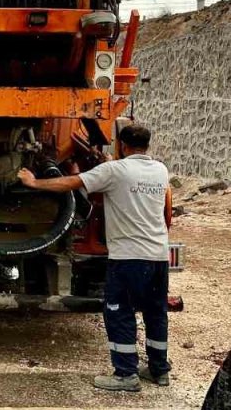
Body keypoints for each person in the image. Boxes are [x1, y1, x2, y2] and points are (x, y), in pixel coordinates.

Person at [18, 124, 172, 392]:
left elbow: (71, 183)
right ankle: (159, 371)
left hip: (128, 257)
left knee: (120, 311)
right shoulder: (160, 170)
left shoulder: (114, 171)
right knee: (155, 312)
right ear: (146, 145)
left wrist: (33, 182)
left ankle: (126, 374)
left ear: (121, 145)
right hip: (158, 255)